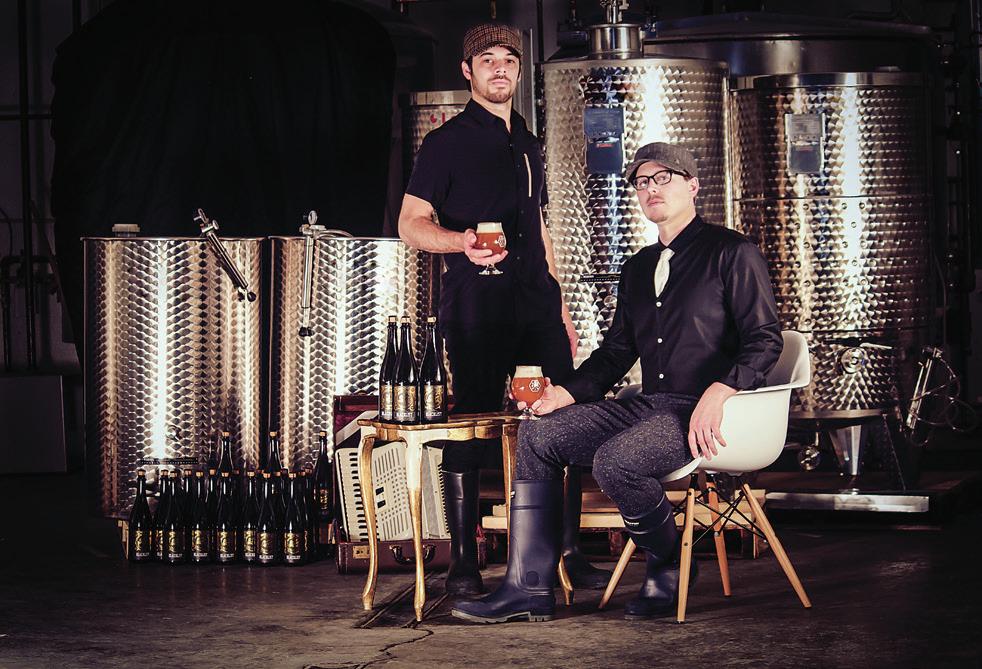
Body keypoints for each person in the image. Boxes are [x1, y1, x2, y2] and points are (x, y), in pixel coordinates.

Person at [451, 142, 783, 623]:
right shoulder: (638, 268)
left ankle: (667, 565)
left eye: (663, 178)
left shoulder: (732, 252)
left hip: (710, 411)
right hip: (651, 406)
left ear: (693, 186)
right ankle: (528, 586)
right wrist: (563, 394)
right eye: (642, 182)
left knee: (617, 460)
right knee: (540, 434)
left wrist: (720, 391)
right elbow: (615, 354)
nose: (651, 189)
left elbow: (765, 340)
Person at [398, 22, 610, 595]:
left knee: (560, 419)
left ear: (518, 71)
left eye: (509, 60)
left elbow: (538, 226)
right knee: (469, 425)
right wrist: (459, 242)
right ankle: (464, 563)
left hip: (536, 304)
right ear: (467, 71)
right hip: (477, 305)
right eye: (487, 59)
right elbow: (410, 223)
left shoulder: (528, 142)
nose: (499, 68)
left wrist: (562, 309)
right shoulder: (444, 143)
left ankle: (566, 552)